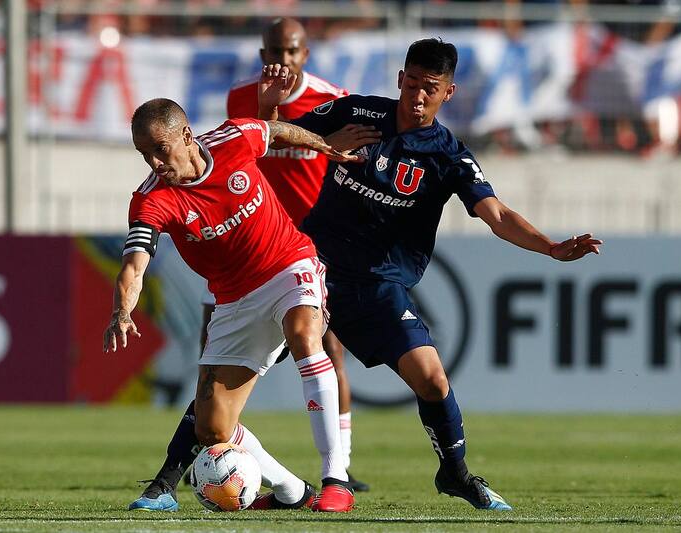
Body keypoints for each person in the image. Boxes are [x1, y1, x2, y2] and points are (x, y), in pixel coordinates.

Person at [257, 39, 603, 511]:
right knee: (237, 364)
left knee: (433, 380)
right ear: (400, 79)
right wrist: (281, 114)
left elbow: (496, 214)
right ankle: (168, 476)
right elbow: (271, 137)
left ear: (449, 93)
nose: (418, 96)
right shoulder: (356, 112)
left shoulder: (447, 155)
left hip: (378, 286)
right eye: (413, 84)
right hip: (311, 268)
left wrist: (549, 247)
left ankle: (455, 475)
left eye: (431, 89)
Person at [104, 98, 358, 512]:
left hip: (289, 263)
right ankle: (294, 491)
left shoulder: (233, 139)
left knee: (304, 333)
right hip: (235, 300)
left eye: (159, 150)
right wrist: (122, 310)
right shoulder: (152, 200)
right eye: (144, 154)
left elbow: (276, 131)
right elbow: (134, 265)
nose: (153, 162)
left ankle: (337, 479)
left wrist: (322, 144)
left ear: (187, 137)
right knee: (212, 428)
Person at [221, 17, 376, 492]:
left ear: (304, 54)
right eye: (273, 52)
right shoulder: (240, 99)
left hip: (314, 242)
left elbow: (352, 163)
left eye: (290, 52)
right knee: (221, 350)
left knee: (329, 347)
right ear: (262, 52)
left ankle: (340, 466)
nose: (281, 61)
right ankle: (212, 442)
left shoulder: (333, 99)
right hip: (255, 239)